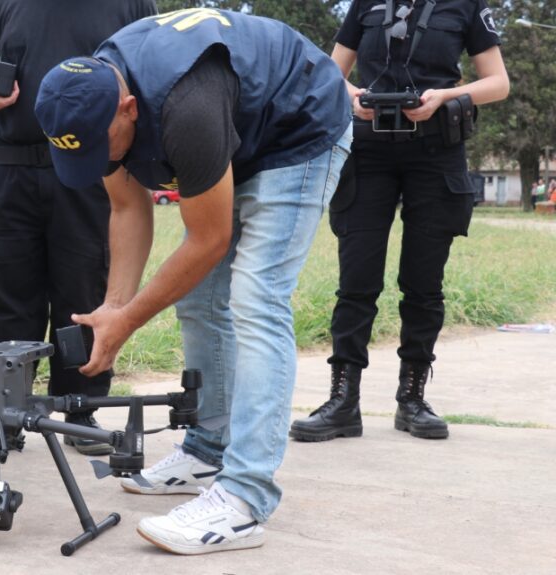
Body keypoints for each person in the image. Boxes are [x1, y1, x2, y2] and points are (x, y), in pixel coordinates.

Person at [34, 7, 352, 554]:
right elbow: (129, 210)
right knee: (199, 299)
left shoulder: (185, 107)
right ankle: (208, 450)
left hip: (298, 125)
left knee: (256, 299)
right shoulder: (91, 102)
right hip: (238, 126)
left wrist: (129, 321)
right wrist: (114, 305)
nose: (97, 159)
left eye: (99, 147)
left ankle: (246, 498)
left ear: (129, 108)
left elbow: (209, 240)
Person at [290, 0, 509, 443]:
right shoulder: (366, 4)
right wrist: (351, 96)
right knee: (357, 281)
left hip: (436, 151)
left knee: (424, 282)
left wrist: (446, 96)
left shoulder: (464, 6)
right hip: (369, 152)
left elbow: (499, 82)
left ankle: (412, 400)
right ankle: (343, 402)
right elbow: (333, 69)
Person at [0, 0, 156, 455]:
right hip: (11, 164)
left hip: (91, 167)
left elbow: (146, 62)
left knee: (82, 286)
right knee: (5, 290)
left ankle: (81, 407)